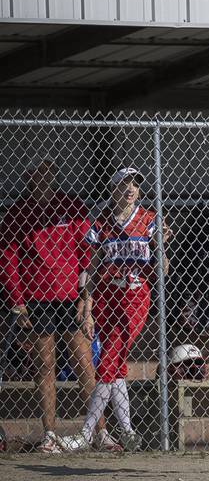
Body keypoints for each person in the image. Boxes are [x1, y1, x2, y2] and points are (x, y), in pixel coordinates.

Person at [0, 159, 115, 453]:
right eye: (37, 174)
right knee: (45, 365)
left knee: (85, 365)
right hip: (37, 300)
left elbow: (88, 253)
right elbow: (7, 260)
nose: (43, 179)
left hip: (70, 298)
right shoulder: (17, 213)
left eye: (48, 172)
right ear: (28, 178)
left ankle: (100, 433)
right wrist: (18, 302)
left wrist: (84, 297)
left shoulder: (73, 207)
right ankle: (50, 434)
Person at [61, 167, 171, 452]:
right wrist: (86, 306)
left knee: (107, 361)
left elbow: (164, 269)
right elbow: (91, 267)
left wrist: (161, 245)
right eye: (124, 184)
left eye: (134, 184)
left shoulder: (149, 219)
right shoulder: (102, 224)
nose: (130, 189)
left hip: (135, 295)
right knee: (117, 365)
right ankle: (128, 431)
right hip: (107, 295)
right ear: (113, 189)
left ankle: (86, 434)